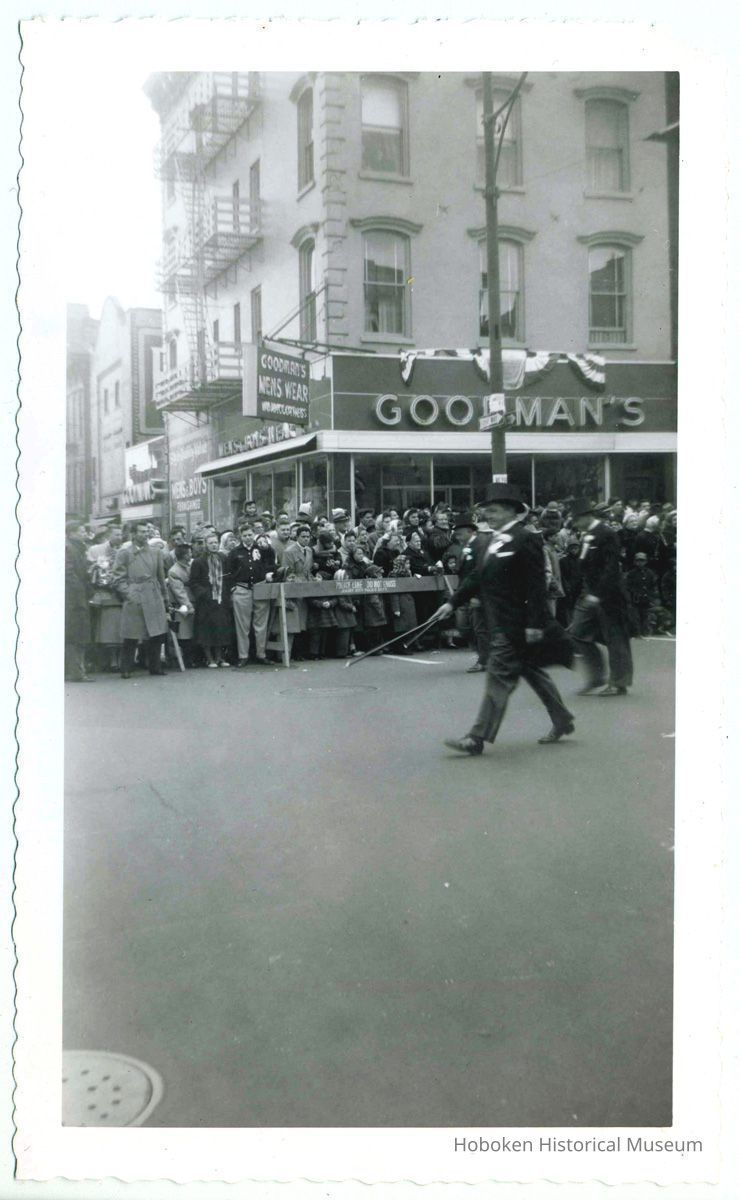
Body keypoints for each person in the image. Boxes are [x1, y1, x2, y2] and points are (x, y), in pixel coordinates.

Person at [434, 484, 575, 754]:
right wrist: (452, 603)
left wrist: (534, 624)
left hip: (518, 624)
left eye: (495, 510)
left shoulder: (526, 538)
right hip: (499, 620)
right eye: (487, 511)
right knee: (532, 672)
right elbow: (477, 576)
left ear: (512, 511)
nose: (489, 515)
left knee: (498, 677)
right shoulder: (491, 540)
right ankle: (562, 719)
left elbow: (535, 586)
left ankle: (476, 737)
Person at [569, 497, 634, 697]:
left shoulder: (607, 534)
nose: (575, 524)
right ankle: (597, 677)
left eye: (577, 520)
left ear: (587, 517)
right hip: (589, 593)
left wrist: (598, 594)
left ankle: (618, 682)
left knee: (615, 638)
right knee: (578, 632)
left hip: (609, 594)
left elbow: (611, 568)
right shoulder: (587, 535)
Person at [110, 520, 170, 678]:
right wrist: (128, 593)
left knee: (156, 633)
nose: (145, 534)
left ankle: (155, 666)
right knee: (131, 634)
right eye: (142, 532)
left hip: (153, 593)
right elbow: (117, 576)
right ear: (134, 534)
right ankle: (126, 668)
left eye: (146, 531)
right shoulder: (125, 552)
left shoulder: (155, 551)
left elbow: (161, 576)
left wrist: (164, 597)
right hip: (135, 593)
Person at [225, 524, 276, 667]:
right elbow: (228, 573)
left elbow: (271, 561)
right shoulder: (235, 552)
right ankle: (243, 655)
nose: (247, 538)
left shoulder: (261, 549)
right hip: (242, 589)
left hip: (260, 587)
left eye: (249, 535)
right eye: (244, 535)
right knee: (243, 625)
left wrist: (266, 547)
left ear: (254, 534)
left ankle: (261, 654)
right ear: (240, 537)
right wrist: (233, 588)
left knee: (261, 624)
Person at [188, 532, 234, 667]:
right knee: (207, 630)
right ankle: (210, 658)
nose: (213, 545)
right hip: (206, 601)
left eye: (215, 542)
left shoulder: (223, 558)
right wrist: (205, 593)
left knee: (221, 628)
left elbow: (229, 577)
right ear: (206, 545)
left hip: (221, 599)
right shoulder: (198, 561)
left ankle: (220, 657)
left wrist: (227, 592)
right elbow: (194, 582)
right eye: (210, 543)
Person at [65, 521, 94, 682]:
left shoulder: (77, 548)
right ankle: (77, 672)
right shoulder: (69, 548)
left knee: (77, 635)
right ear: (71, 533)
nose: (85, 534)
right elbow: (69, 574)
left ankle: (78, 671)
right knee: (76, 636)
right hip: (74, 599)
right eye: (81, 531)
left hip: (77, 598)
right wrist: (82, 590)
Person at [167, 543, 196, 666]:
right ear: (184, 555)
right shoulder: (174, 571)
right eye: (189, 553)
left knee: (192, 632)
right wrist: (188, 605)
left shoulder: (191, 565)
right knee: (185, 634)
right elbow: (180, 592)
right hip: (183, 605)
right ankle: (187, 660)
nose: (191, 554)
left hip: (194, 600)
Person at [624, 551, 659, 637]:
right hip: (635, 599)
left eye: (642, 560)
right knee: (635, 617)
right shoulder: (631, 574)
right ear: (635, 562)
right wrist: (633, 594)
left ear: (646, 561)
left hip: (646, 599)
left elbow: (653, 585)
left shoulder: (650, 573)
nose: (640, 563)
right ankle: (637, 633)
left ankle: (645, 633)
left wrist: (652, 596)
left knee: (645, 616)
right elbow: (627, 586)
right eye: (638, 560)